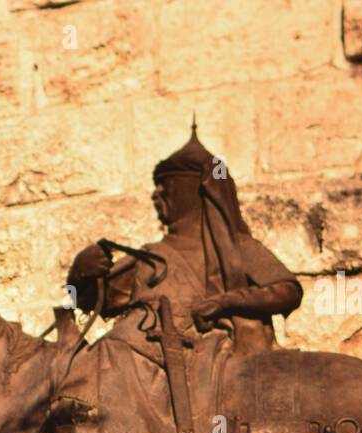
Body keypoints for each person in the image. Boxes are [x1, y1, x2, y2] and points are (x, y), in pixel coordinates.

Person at [65, 126, 302, 357]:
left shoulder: (235, 246)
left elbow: (287, 290)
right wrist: (81, 274)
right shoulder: (151, 257)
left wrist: (224, 302)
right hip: (143, 356)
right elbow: (91, 300)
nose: (155, 194)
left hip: (210, 356)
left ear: (188, 190)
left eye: (164, 186)